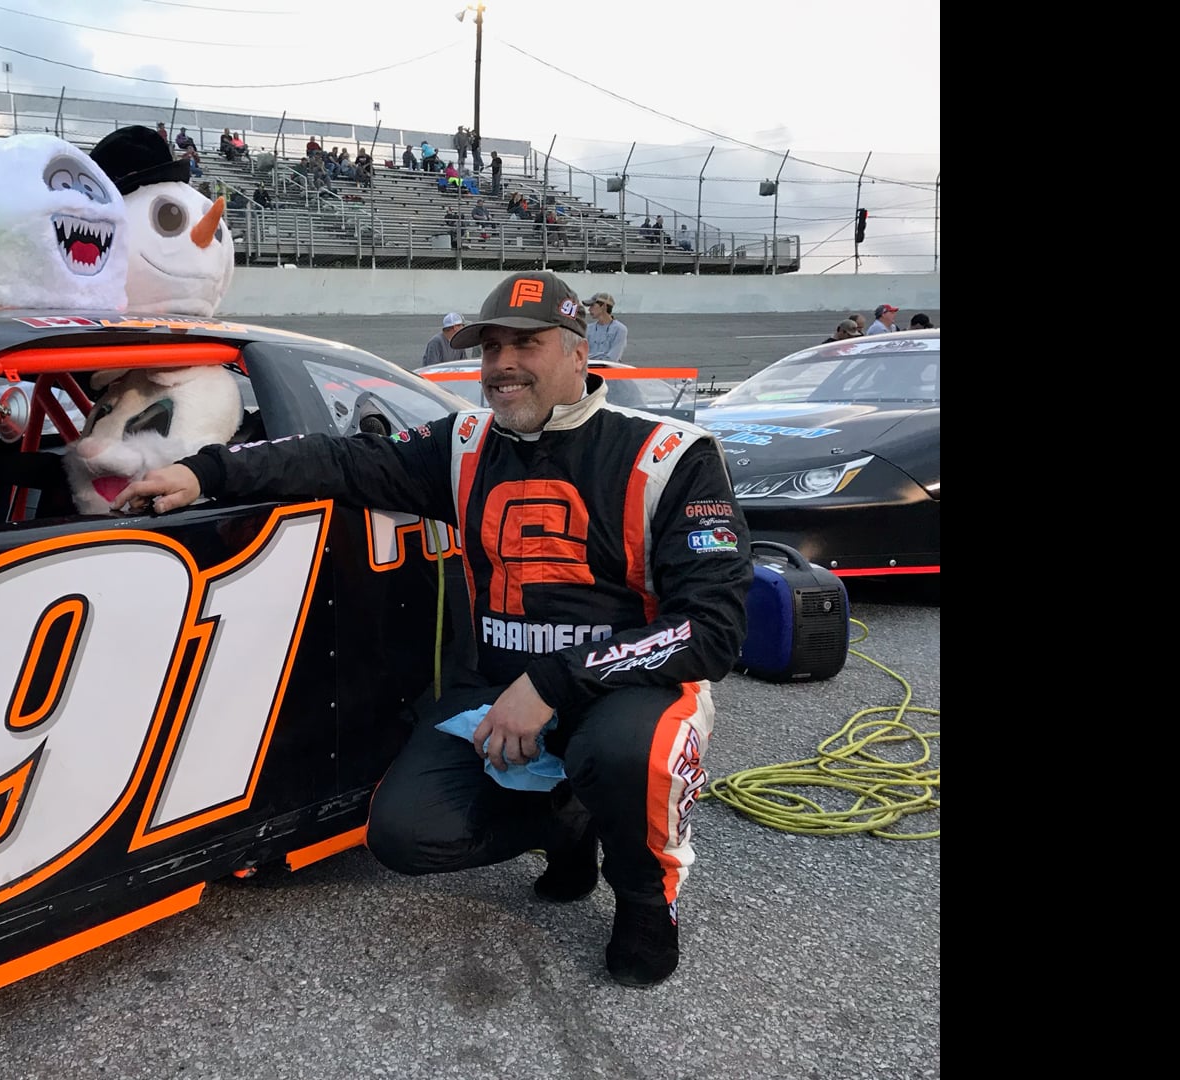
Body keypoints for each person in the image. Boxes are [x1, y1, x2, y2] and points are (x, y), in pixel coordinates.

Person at [114, 270, 753, 987]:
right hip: (495, 688)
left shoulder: (674, 455)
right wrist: (207, 473)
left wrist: (551, 681)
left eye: (528, 345)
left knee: (631, 753)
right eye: (491, 348)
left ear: (579, 353)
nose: (503, 364)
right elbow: (341, 460)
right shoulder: (463, 440)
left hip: (623, 690)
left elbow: (712, 628)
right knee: (406, 833)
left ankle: (644, 896)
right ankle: (566, 820)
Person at [586, 293, 628, 362]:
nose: (589, 309)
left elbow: (613, 358)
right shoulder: (588, 328)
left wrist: (590, 356)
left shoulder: (620, 329)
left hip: (609, 371)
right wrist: (603, 354)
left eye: (592, 305)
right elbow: (581, 355)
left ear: (604, 306)